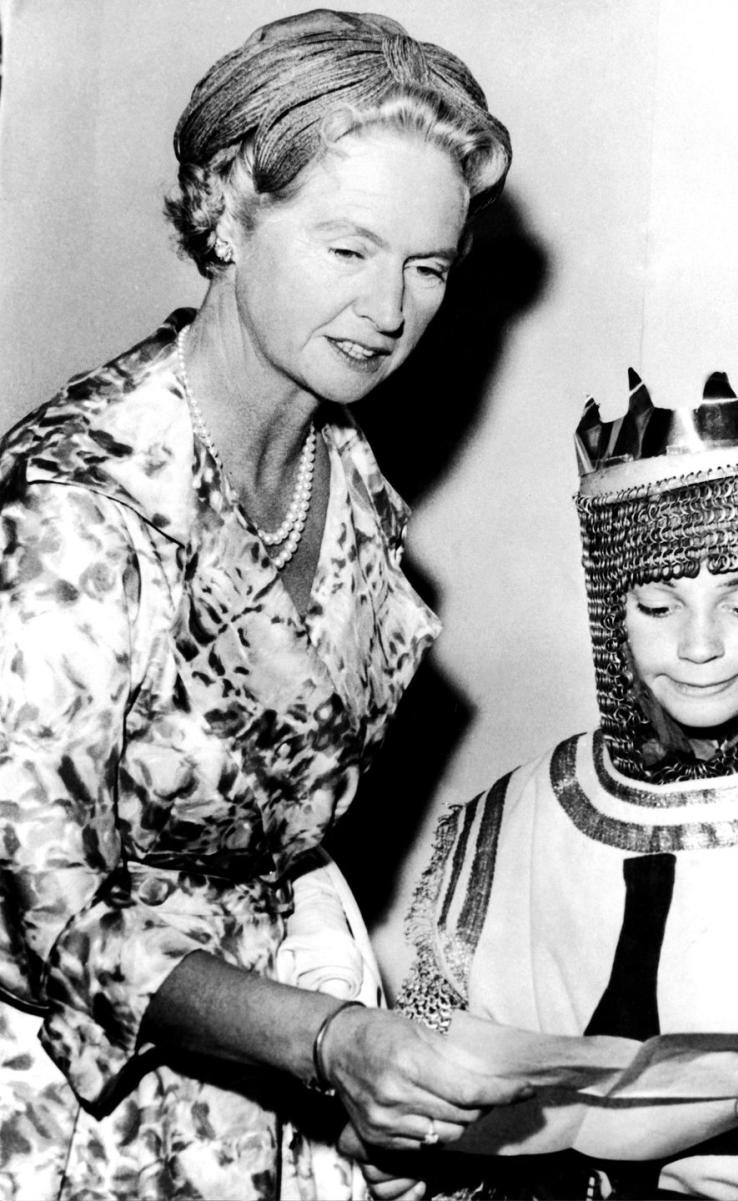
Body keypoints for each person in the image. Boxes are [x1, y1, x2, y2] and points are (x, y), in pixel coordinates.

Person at [0, 10, 529, 1200]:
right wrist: (326, 1037)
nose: (392, 308)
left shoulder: (345, 477)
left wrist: (351, 1041)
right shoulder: (76, 506)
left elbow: (286, 846)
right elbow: (49, 914)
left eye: (428, 265)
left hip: (291, 1081)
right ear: (227, 214)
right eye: (349, 249)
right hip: (81, 1107)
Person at [397, 364, 738, 1199]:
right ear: (608, 606)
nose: (699, 646)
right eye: (657, 607)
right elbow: (429, 1056)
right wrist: (418, 1156)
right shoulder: (509, 823)